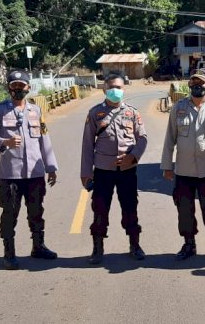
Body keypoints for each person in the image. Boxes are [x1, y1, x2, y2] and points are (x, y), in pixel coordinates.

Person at [0, 70, 59, 270]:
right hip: (11, 175)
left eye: (22, 85)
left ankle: (38, 246)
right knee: (10, 214)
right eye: (14, 85)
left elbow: (44, 139)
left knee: (36, 212)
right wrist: (5, 142)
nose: (18, 89)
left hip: (35, 174)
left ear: (29, 87)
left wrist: (51, 167)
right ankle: (9, 253)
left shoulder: (35, 111)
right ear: (8, 87)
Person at [160, 73, 205, 263]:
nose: (197, 86)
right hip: (183, 171)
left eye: (200, 83)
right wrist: (167, 166)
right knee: (184, 210)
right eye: (193, 83)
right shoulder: (179, 108)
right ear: (189, 85)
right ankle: (189, 244)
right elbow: (170, 138)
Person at [81, 73, 148, 264]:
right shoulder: (95, 113)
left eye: (119, 87)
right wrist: (85, 173)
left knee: (130, 207)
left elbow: (142, 138)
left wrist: (133, 157)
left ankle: (134, 244)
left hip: (127, 171)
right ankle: (98, 247)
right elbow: (87, 144)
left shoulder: (132, 113)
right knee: (100, 209)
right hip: (103, 171)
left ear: (124, 89)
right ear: (104, 89)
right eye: (112, 87)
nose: (115, 91)